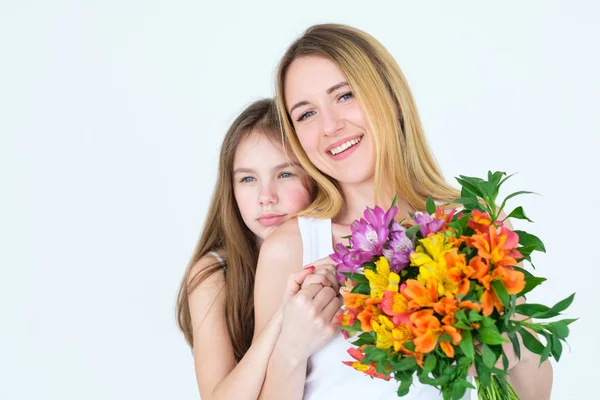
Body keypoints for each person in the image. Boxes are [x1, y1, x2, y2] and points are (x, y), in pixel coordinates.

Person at [253, 24, 553, 400]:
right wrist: (291, 351)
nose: (330, 126)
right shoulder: (289, 250)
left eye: (345, 96)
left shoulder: (475, 223)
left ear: (391, 98)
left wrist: (484, 333)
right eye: (306, 114)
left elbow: (534, 393)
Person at [176, 98, 336, 399]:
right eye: (248, 179)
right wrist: (285, 317)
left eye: (285, 174)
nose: (266, 196)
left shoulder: (331, 251)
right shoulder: (214, 272)